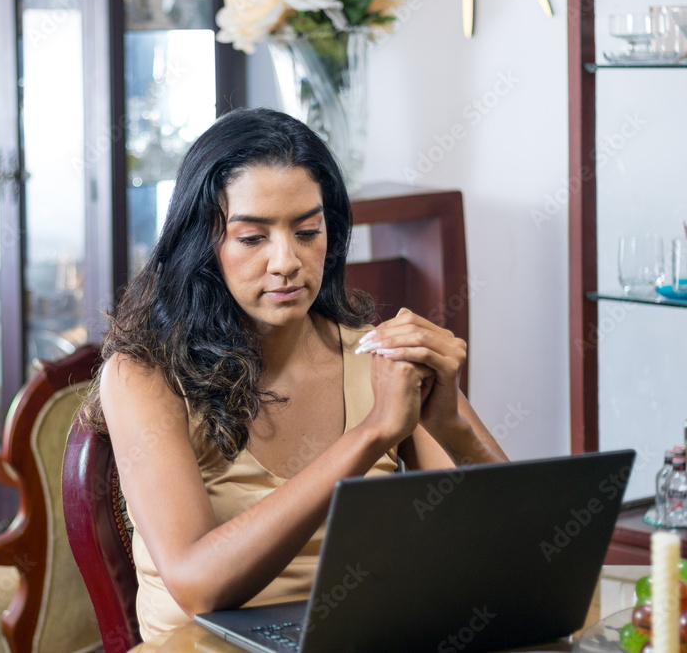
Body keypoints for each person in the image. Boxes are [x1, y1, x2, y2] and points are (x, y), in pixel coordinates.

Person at [83, 107, 508, 642]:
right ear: (203, 245)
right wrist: (372, 433)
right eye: (252, 238)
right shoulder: (144, 376)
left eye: (307, 231)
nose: (286, 261)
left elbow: (514, 551)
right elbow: (197, 586)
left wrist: (451, 424)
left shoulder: (377, 356)